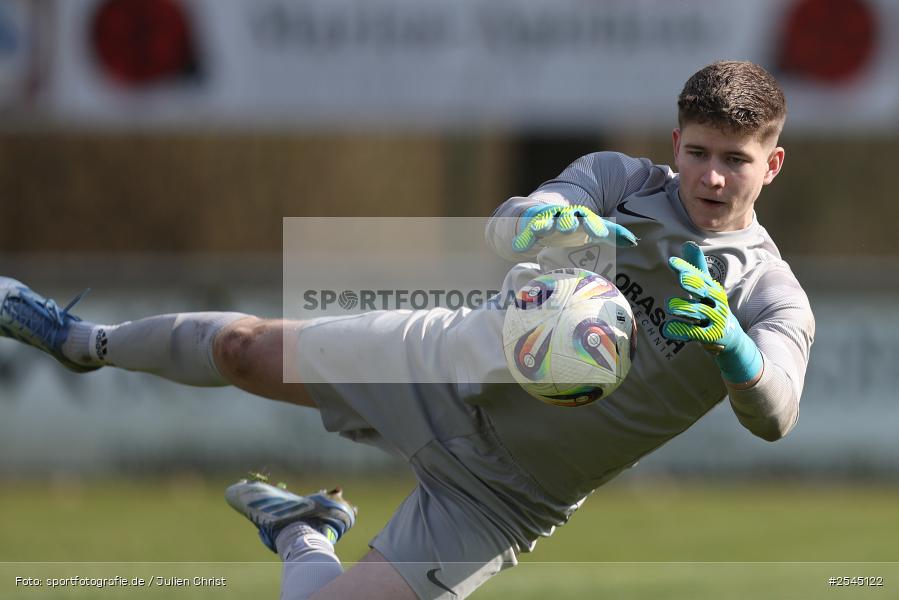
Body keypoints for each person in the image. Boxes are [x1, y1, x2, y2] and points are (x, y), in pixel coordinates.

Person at [0, 60, 814, 599]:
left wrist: (732, 348)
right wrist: (538, 223)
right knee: (242, 349)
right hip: (443, 359)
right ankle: (82, 341)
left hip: (504, 495)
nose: (710, 175)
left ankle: (300, 531)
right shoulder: (620, 180)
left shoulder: (768, 294)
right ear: (676, 141)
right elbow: (509, 222)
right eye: (699, 151)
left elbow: (774, 413)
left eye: (734, 160)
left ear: (769, 165)